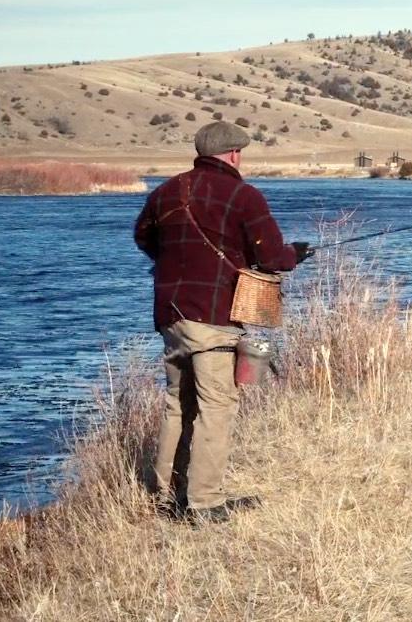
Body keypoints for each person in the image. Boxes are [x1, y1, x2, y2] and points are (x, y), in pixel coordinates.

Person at [133, 122, 313, 523]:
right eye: (241, 153)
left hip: (170, 314)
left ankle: (162, 498)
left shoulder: (167, 191)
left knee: (177, 405)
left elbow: (142, 238)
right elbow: (271, 259)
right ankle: (205, 503)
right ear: (233, 154)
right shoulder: (243, 195)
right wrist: (296, 254)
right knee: (218, 406)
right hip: (213, 317)